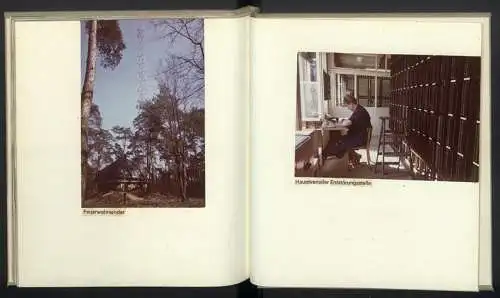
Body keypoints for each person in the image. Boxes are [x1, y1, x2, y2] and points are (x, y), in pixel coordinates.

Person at [323, 94, 372, 164]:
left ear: (351, 104)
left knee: (336, 142)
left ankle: (324, 156)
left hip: (359, 139)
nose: (347, 108)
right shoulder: (359, 109)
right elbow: (350, 121)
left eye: (347, 106)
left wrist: (335, 124)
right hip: (359, 136)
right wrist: (342, 121)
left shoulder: (359, 112)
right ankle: (353, 156)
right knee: (336, 138)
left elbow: (347, 123)